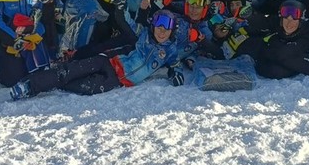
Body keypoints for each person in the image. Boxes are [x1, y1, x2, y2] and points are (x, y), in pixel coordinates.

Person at [10, 9, 191, 98]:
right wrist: (122, 8)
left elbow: (174, 62)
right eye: (158, 26)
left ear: (172, 31)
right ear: (152, 26)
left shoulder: (170, 50)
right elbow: (127, 20)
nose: (161, 31)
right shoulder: (143, 35)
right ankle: (29, 86)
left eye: (166, 28)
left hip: (118, 80)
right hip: (108, 62)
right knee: (70, 72)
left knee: (84, 88)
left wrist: (176, 72)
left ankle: (57, 80)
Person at [253, 1, 309, 82]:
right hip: (278, 62)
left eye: (294, 20)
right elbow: (257, 22)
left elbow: (285, 52)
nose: (289, 24)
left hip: (301, 56)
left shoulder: (307, 32)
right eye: (286, 20)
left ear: (301, 21)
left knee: (279, 62)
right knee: (271, 68)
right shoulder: (275, 23)